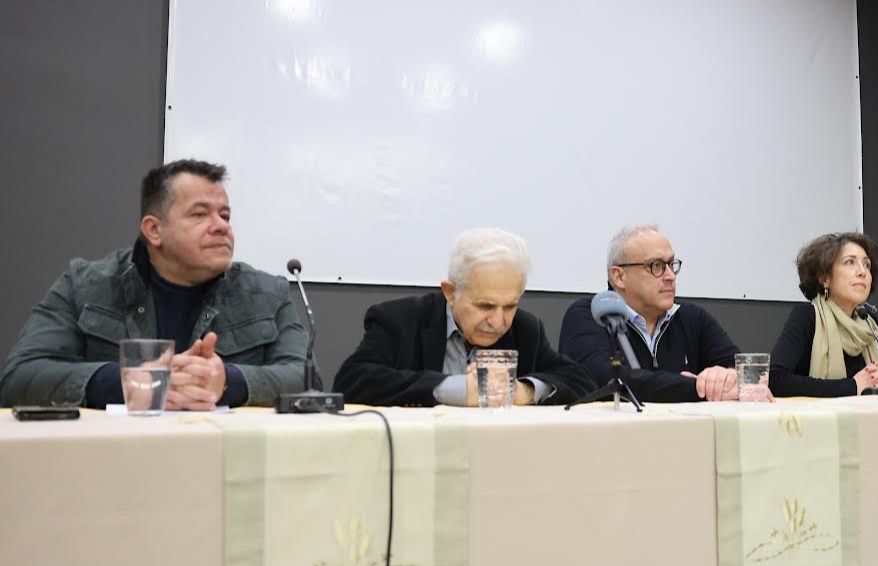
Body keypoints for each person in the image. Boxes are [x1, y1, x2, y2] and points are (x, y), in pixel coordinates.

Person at [0, 159, 308, 409]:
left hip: (226, 456)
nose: (221, 227)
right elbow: (20, 377)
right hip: (111, 457)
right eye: (200, 214)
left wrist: (226, 381)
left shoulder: (269, 293)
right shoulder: (84, 285)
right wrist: (132, 382)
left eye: (225, 215)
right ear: (154, 230)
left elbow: (307, 380)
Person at [333, 228, 593, 406]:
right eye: (485, 306)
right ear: (450, 292)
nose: (498, 322)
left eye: (510, 306)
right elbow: (352, 380)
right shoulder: (400, 320)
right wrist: (458, 389)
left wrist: (523, 390)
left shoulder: (525, 329)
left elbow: (582, 380)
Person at [558, 225, 741, 403]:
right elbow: (605, 379)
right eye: (656, 266)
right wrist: (697, 387)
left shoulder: (691, 318)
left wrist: (727, 377)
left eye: (671, 264)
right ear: (619, 277)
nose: (670, 276)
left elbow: (742, 372)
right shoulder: (589, 316)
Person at [769, 232, 878, 397]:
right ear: (824, 278)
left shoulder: (868, 324)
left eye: (867, 265)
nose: (862, 272)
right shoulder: (808, 316)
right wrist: (853, 386)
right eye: (850, 262)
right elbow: (775, 379)